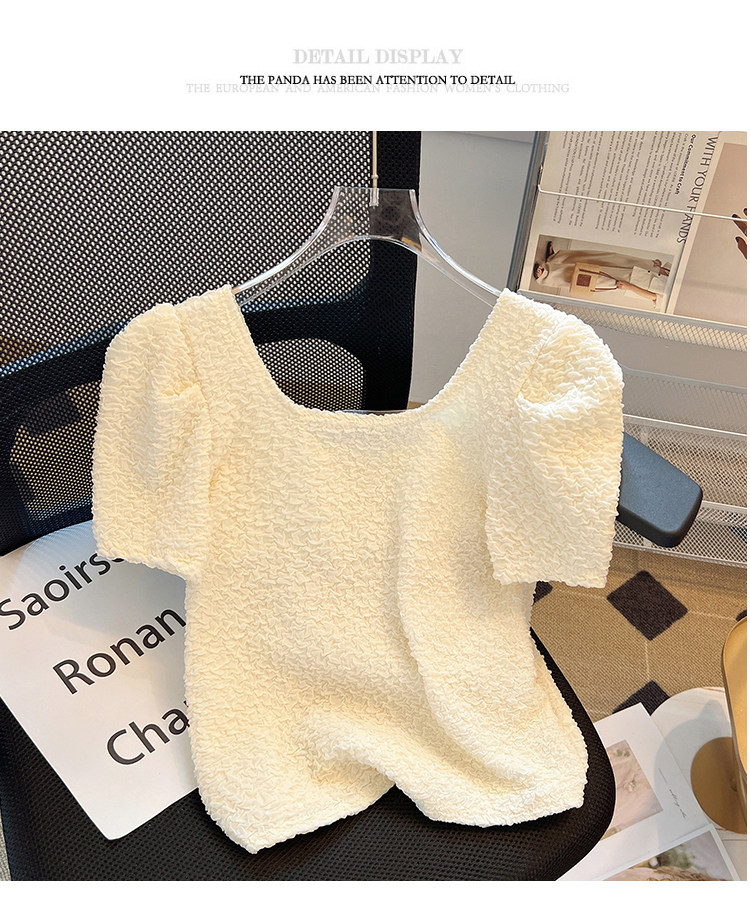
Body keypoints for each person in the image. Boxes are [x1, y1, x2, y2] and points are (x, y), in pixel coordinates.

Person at [533, 244, 670, 292]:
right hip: (649, 267)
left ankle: (547, 275)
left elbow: (656, 298)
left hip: (636, 281)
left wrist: (630, 287)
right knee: (603, 258)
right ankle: (557, 258)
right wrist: (660, 267)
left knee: (591, 277)